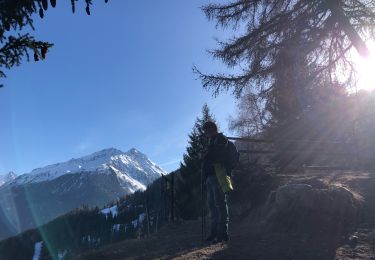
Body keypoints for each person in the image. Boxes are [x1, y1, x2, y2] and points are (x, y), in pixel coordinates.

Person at [200, 121, 230, 243]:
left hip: (217, 176)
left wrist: (205, 155)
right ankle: (214, 232)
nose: (205, 134)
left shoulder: (220, 139)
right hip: (210, 177)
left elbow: (218, 155)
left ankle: (222, 234)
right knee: (213, 206)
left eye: (206, 131)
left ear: (212, 129)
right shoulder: (213, 141)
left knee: (219, 205)